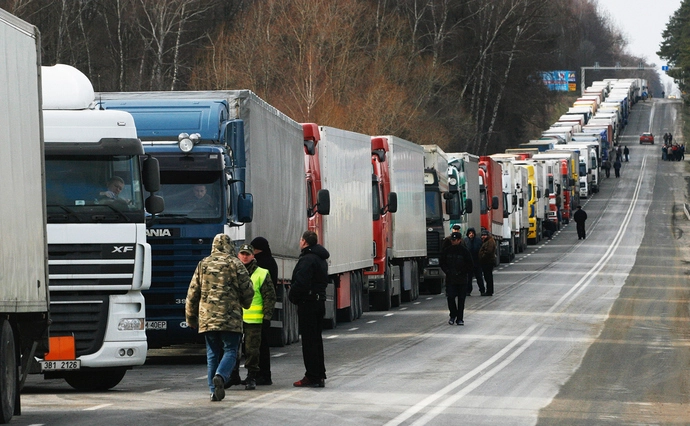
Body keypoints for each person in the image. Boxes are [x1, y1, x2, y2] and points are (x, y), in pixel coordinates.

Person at [185, 233, 254, 402]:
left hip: (207, 318)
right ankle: (221, 376)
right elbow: (248, 289)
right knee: (230, 350)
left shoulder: (203, 264)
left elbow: (192, 293)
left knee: (212, 353)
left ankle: (213, 391)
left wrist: (191, 318)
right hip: (231, 317)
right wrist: (245, 304)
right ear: (231, 246)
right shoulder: (236, 264)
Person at [289, 231, 329, 388]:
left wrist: (293, 296)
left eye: (300, 240)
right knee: (316, 340)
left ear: (304, 242)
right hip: (319, 302)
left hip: (308, 303)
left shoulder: (307, 259)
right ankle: (319, 374)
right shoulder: (321, 258)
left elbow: (301, 282)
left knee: (309, 342)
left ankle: (312, 376)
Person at [235, 243, 276, 390]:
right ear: (238, 255)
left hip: (254, 320)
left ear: (253, 256)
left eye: (248, 254)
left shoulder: (262, 273)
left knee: (252, 350)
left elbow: (269, 297)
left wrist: (267, 317)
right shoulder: (232, 272)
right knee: (233, 349)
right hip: (235, 318)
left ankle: (252, 376)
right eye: (242, 254)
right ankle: (233, 375)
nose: (245, 257)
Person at [250, 236, 279, 385]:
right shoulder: (271, 262)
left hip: (258, 311)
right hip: (263, 310)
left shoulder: (261, 264)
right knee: (261, 345)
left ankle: (263, 375)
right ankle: (263, 374)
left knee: (259, 346)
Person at [440, 232, 474, 326]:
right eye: (452, 240)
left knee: (461, 299)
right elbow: (442, 262)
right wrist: (447, 271)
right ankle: (452, 315)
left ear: (459, 240)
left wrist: (461, 272)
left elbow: (470, 265)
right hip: (450, 278)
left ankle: (460, 318)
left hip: (461, 279)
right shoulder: (447, 250)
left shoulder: (464, 251)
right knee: (450, 297)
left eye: (455, 240)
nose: (453, 241)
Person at [463, 227, 485, 296]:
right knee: (468, 278)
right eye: (469, 233)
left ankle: (482, 290)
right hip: (469, 263)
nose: (471, 234)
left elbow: (481, 249)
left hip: (477, 262)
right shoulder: (465, 241)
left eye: (472, 233)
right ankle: (468, 291)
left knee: (479, 277)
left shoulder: (478, 240)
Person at [478, 229, 496, 296]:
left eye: (485, 235)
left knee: (488, 277)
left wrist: (482, 256)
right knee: (487, 277)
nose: (483, 236)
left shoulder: (490, 241)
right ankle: (489, 290)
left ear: (487, 235)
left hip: (488, 262)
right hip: (486, 262)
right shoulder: (486, 241)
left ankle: (489, 291)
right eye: (482, 235)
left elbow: (488, 252)